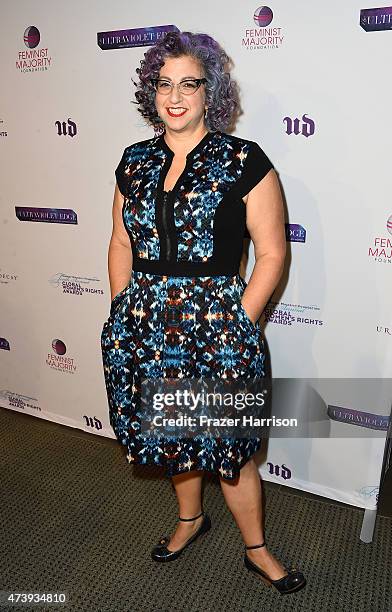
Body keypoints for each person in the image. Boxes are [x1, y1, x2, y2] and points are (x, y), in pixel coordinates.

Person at [101, 30, 306, 595]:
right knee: (172, 434)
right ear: (151, 91)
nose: (175, 96)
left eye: (188, 84)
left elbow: (272, 251)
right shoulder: (134, 161)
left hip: (217, 324)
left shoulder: (244, 160)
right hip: (145, 323)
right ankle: (191, 521)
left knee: (229, 452)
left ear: (209, 91)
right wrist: (123, 308)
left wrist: (239, 319)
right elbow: (121, 242)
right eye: (163, 84)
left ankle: (256, 549)